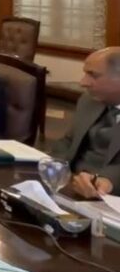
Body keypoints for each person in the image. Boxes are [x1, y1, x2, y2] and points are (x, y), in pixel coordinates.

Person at [52, 47, 120, 199]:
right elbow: (68, 142)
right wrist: (52, 168)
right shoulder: (89, 100)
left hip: (109, 196)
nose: (83, 82)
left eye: (93, 75)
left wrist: (107, 181)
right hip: (69, 185)